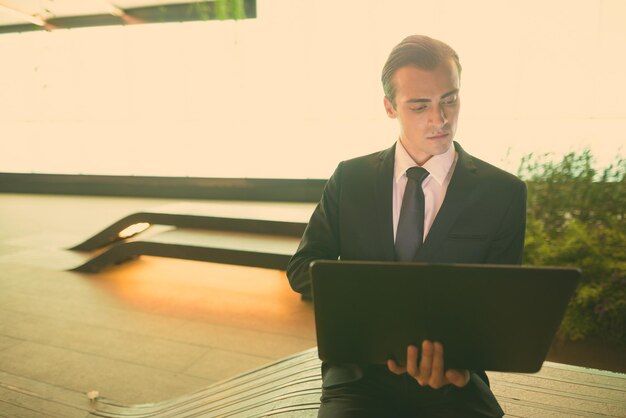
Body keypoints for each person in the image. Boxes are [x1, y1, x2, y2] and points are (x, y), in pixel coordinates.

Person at [286, 35, 526, 417]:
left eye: (450, 99)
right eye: (420, 106)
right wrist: (378, 304)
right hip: (358, 376)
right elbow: (301, 268)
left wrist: (458, 368)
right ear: (389, 107)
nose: (440, 119)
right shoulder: (350, 179)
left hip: (455, 379)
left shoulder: (504, 193)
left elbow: (497, 305)